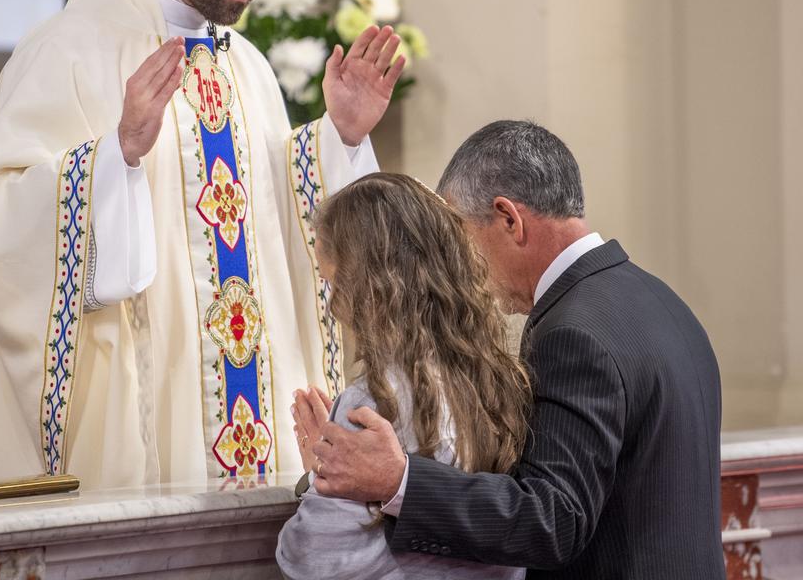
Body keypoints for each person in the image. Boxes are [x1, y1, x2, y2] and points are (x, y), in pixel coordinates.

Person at [0, 0, 405, 489]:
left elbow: (278, 231)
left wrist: (341, 139)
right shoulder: (72, 49)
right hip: (150, 427)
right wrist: (111, 164)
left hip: (261, 430)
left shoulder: (246, 64)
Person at [294, 121, 724, 579]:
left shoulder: (574, 334)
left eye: (460, 234)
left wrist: (399, 481)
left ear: (508, 219)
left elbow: (553, 519)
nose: (458, 260)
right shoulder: (663, 302)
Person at [276, 173, 529, 580]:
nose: (333, 304)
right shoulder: (500, 383)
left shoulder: (374, 403)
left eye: (332, 281)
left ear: (364, 285)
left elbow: (312, 559)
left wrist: (316, 478)